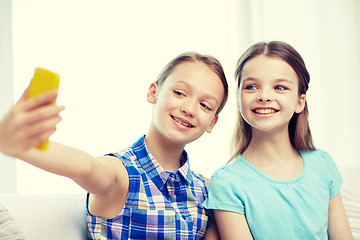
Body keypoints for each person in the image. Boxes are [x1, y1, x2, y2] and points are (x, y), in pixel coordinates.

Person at [0, 52, 229, 239]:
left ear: (212, 122)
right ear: (153, 92)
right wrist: (23, 146)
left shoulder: (208, 190)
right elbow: (87, 167)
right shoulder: (120, 173)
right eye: (179, 93)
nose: (189, 108)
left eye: (205, 105)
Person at [202, 41, 353, 240]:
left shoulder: (322, 164)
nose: (264, 96)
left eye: (280, 87)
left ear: (300, 102)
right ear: (238, 99)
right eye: (252, 86)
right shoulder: (227, 183)